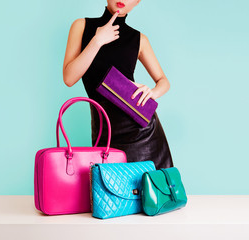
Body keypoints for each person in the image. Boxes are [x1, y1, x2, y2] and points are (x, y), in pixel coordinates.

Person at [62, 0, 174, 169]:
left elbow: (164, 81)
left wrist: (152, 93)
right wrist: (97, 41)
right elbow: (69, 78)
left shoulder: (139, 39)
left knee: (151, 187)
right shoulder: (81, 26)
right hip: (104, 124)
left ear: (137, 2)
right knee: (109, 186)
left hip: (140, 125)